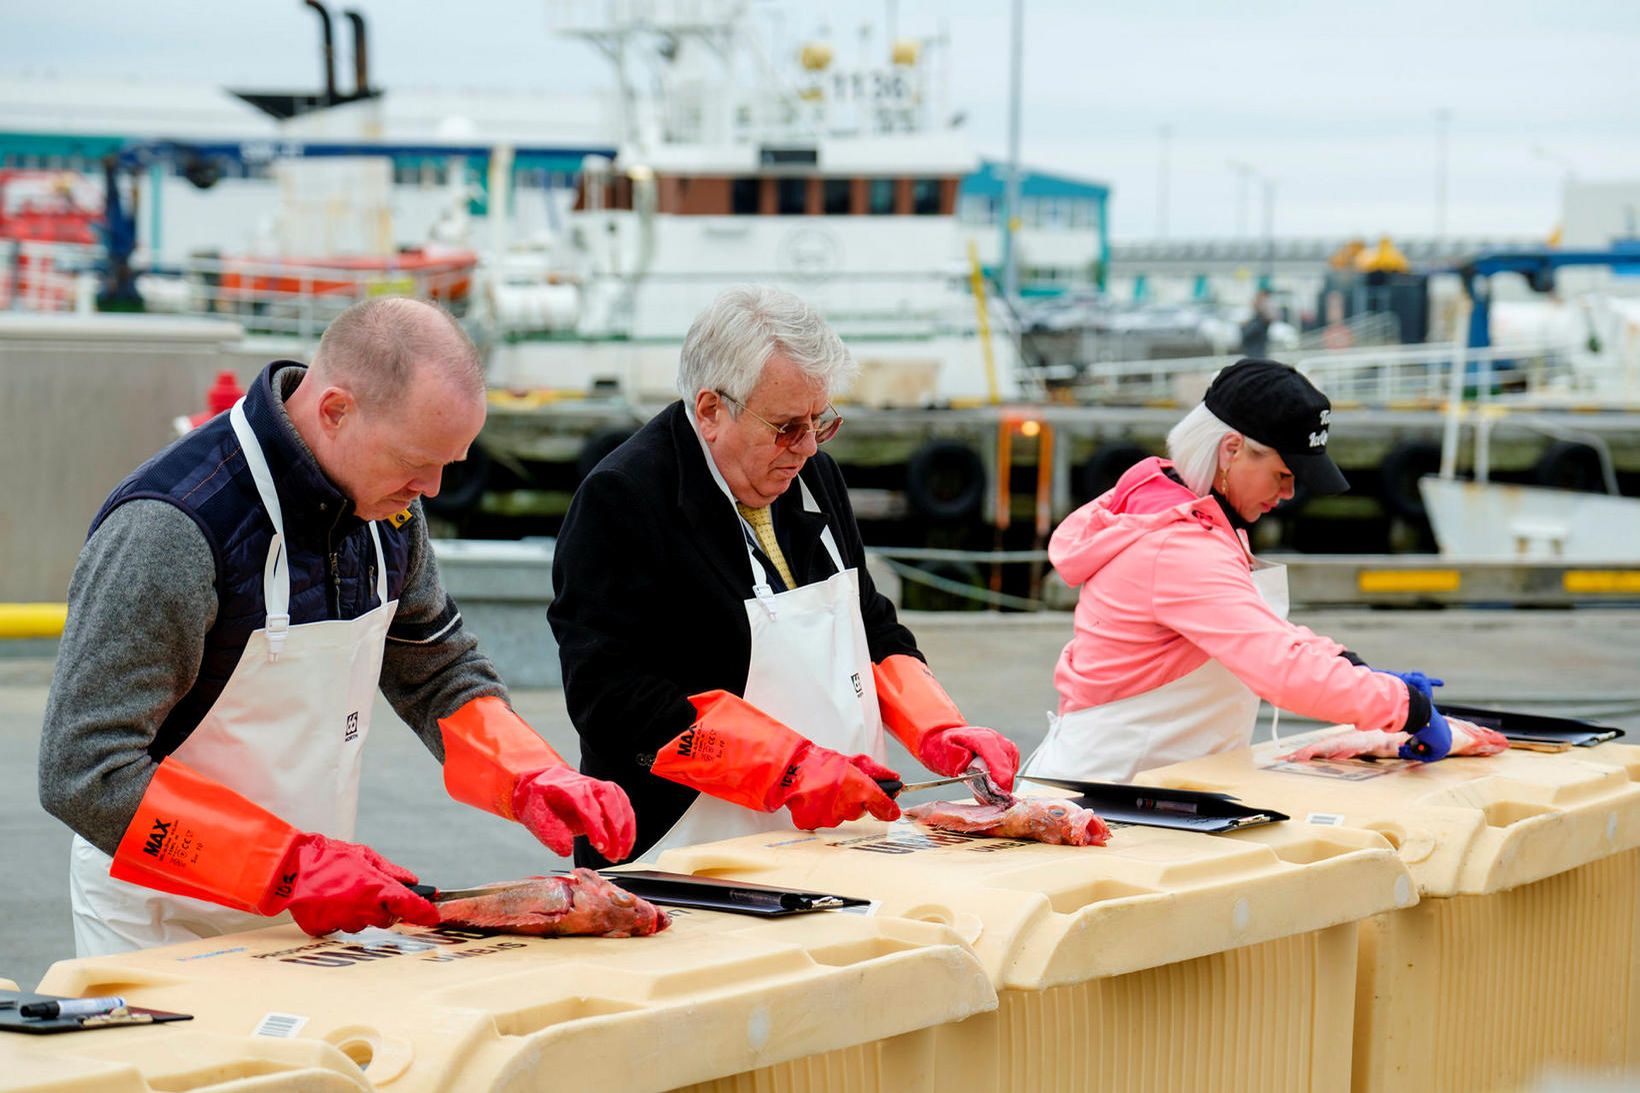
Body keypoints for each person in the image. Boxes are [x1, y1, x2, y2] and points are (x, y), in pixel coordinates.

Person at [39, 297, 636, 957]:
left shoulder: (391, 509)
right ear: (335, 410)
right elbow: (86, 768)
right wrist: (288, 864)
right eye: (419, 460)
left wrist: (533, 778)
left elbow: (437, 670)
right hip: (163, 922)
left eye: (450, 464)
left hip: (316, 905)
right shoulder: (170, 529)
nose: (434, 489)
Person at [549, 285, 1020, 865]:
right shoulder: (622, 498)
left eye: (819, 422)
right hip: (681, 846)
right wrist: (790, 769)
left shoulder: (815, 476)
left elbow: (868, 623)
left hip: (838, 831)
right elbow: (613, 700)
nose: (804, 448)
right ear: (710, 410)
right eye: (785, 426)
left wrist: (939, 731)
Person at [1025, 358, 1454, 782]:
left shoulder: (1191, 518)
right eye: (1283, 474)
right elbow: (1281, 670)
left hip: (1154, 783)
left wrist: (1355, 669)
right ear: (1231, 450)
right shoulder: (1179, 546)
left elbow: (1260, 629)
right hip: (1106, 790)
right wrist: (1406, 708)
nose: (1288, 493)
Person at [1240, 290, 1273, 358]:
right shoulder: (1253, 319)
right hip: (1251, 355)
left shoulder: (1262, 320)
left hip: (1258, 356)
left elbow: (1270, 317)